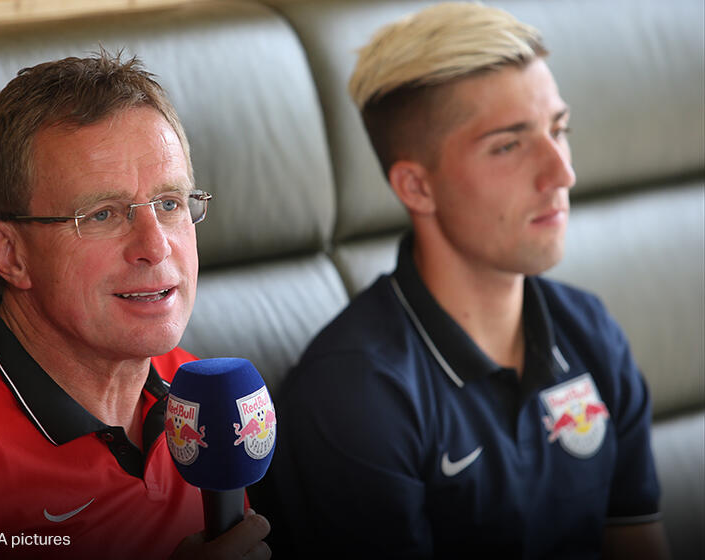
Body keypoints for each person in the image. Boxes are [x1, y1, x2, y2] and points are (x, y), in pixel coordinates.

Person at [270, 3, 669, 559]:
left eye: (559, 129)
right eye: (508, 145)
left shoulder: (591, 331)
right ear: (417, 188)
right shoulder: (353, 397)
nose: (562, 173)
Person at [0, 51, 270, 560]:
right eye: (102, 214)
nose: (155, 245)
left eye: (170, 203)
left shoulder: (200, 396)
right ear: (8, 254)